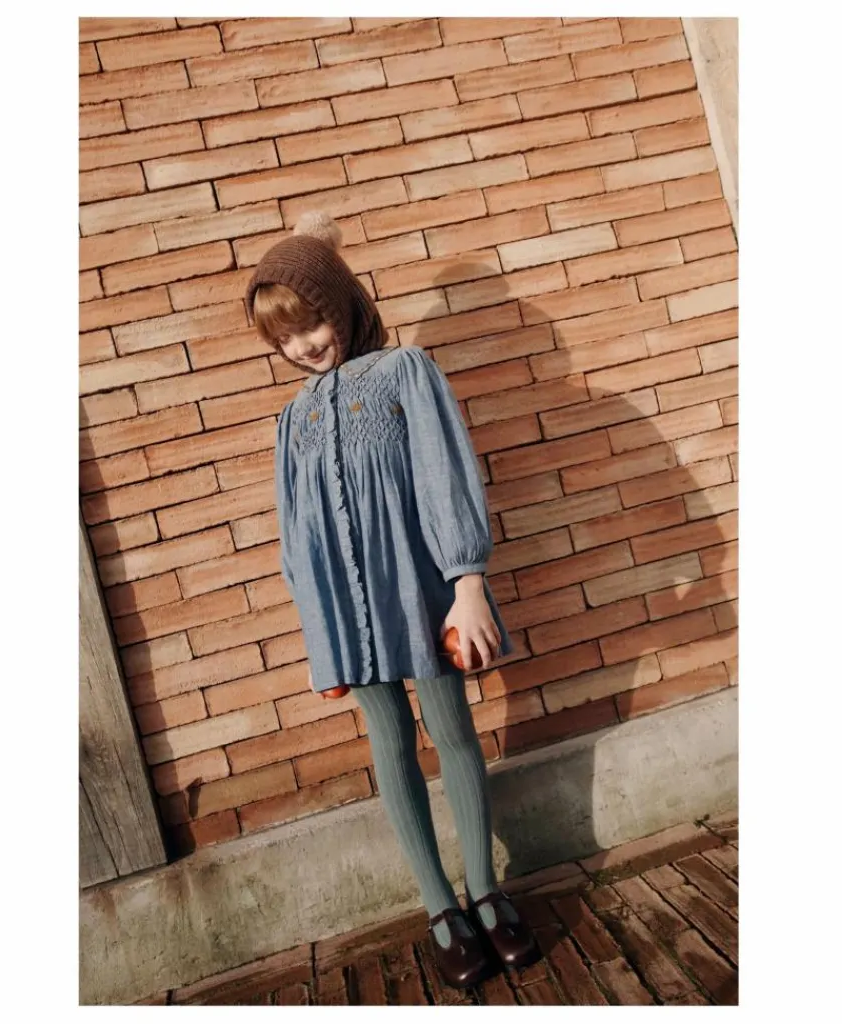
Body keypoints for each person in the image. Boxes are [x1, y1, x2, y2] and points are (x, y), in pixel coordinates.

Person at [246, 212, 541, 990]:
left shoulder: (405, 371)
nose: (303, 345)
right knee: (390, 741)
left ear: (343, 305)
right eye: (284, 337)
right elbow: (296, 536)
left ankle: (486, 891)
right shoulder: (291, 421)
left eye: (311, 323)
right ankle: (440, 907)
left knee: (452, 731)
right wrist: (319, 633)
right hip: (345, 612)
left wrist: (467, 583)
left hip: (422, 590)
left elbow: (446, 475)